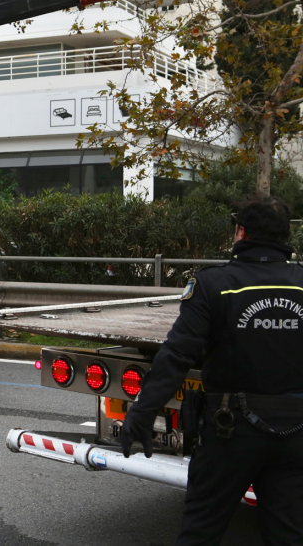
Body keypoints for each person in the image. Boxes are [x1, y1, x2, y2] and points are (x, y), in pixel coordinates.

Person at [120, 195, 303, 546]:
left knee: (202, 531)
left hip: (230, 432)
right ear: (284, 237)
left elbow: (177, 355)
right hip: (296, 435)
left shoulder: (214, 283)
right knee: (288, 534)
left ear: (240, 232)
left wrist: (142, 412)